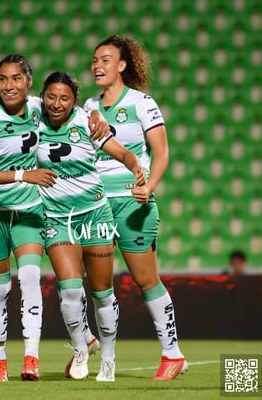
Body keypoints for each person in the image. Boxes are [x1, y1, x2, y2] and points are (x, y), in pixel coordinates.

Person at [0, 55, 108, 382]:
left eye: (16, 78)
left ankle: (31, 358)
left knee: (31, 279)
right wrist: (23, 174)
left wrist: (97, 113)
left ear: (29, 82)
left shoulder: (38, 107)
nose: (8, 86)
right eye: (2, 79)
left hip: (29, 212)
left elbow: (74, 105)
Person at [76, 34, 187, 381]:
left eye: (106, 59)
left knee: (144, 279)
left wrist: (148, 187)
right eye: (95, 59)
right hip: (95, 207)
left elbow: (161, 152)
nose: (97, 65)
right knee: (92, 282)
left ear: (122, 65)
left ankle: (173, 355)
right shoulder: (87, 108)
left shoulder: (142, 103)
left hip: (131, 204)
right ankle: (85, 348)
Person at [38, 71, 145, 381]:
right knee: (70, 291)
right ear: (43, 97)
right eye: (51, 97)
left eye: (64, 98)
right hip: (58, 220)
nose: (56, 104)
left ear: (75, 101)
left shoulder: (87, 122)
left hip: (95, 216)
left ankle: (109, 357)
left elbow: (121, 151)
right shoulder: (34, 120)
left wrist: (134, 164)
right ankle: (80, 349)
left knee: (102, 294)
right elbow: (6, 115)